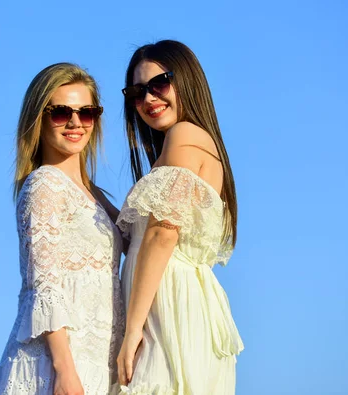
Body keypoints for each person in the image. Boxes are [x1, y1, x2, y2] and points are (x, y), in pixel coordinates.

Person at [115, 40, 244, 394]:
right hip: (172, 303)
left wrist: (132, 330)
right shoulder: (183, 145)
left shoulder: (184, 135)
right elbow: (140, 236)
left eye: (159, 84)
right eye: (137, 92)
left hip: (167, 308)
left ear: (186, 80)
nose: (148, 99)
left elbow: (162, 234)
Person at [0, 63, 126, 395]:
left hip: (97, 360)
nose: (76, 122)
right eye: (61, 112)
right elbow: (44, 287)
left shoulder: (92, 194)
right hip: (56, 366)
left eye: (87, 112)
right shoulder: (44, 185)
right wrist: (64, 371)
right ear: (39, 117)